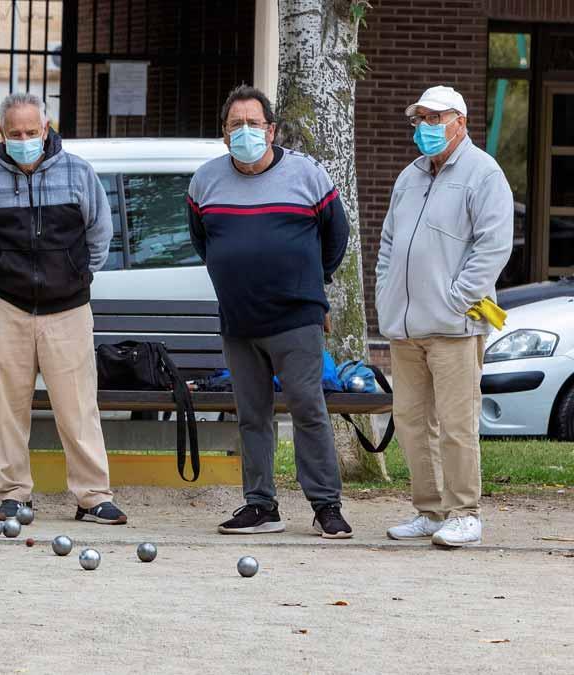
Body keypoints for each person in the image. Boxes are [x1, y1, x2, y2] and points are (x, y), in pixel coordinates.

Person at [187, 84, 353, 539]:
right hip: (239, 321)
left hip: (296, 319)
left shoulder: (308, 175)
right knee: (252, 415)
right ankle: (260, 506)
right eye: (235, 125)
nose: (245, 132)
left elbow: (336, 237)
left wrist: (311, 285)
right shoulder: (205, 181)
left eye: (253, 124)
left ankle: (326, 507)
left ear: (271, 129)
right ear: (224, 135)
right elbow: (204, 241)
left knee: (307, 407)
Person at [0, 91, 127, 526]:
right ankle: (14, 495)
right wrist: (0, 270)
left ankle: (92, 496)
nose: (24, 139)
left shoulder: (78, 173)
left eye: (31, 132)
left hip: (68, 308)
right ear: (2, 133)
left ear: (46, 129)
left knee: (77, 406)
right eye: (15, 133)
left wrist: (76, 275)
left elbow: (99, 234)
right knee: (9, 406)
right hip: (8, 306)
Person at [376, 86, 513, 548]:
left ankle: (465, 512)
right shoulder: (409, 177)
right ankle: (431, 511)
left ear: (460, 122)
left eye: (435, 119)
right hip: (406, 327)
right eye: (420, 119)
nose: (425, 128)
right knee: (412, 422)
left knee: (457, 423)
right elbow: (389, 244)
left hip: (455, 326)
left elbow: (493, 245)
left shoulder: (483, 173)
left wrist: (457, 298)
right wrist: (386, 296)